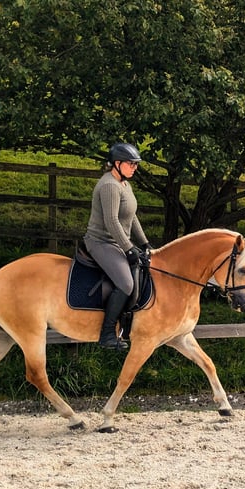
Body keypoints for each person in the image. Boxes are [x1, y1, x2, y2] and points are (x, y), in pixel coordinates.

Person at [83, 143, 152, 350]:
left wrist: (144, 243)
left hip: (117, 241)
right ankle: (107, 335)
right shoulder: (109, 186)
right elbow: (112, 221)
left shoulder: (124, 184)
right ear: (117, 164)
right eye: (131, 164)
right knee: (126, 283)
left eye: (136, 164)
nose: (135, 168)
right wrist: (129, 248)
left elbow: (131, 218)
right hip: (101, 242)